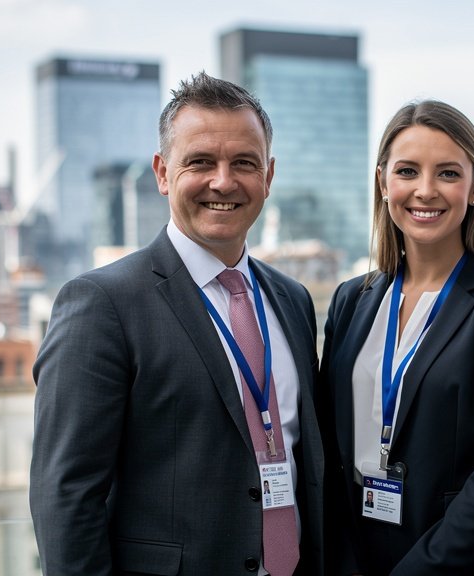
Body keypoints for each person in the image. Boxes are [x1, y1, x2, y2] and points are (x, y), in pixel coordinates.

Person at [29, 72, 325, 575]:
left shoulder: (292, 299)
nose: (224, 182)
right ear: (163, 173)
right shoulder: (102, 304)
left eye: (244, 163)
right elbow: (66, 497)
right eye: (201, 162)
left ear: (269, 176)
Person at [319, 100, 474, 575]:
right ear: (383, 182)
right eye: (407, 171)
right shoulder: (351, 299)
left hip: (469, 563)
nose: (425, 190)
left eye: (448, 173)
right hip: (359, 555)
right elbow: (330, 449)